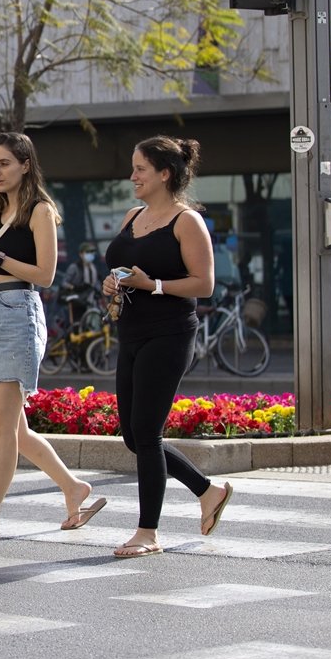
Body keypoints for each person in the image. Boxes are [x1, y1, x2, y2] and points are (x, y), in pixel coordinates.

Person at [0, 132, 106, 544]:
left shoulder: (40, 210)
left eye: (4, 163)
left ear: (25, 165)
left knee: (0, 425)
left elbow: (45, 275)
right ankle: (74, 489)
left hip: (17, 312)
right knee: (13, 428)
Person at [101, 135, 232, 559]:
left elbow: (204, 284)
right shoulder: (133, 215)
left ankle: (147, 531)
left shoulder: (186, 221)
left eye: (140, 168)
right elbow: (124, 268)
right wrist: (114, 283)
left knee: (148, 433)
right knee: (133, 437)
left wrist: (151, 284)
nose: (132, 175)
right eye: (133, 167)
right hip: (132, 332)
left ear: (164, 174)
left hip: (170, 333)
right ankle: (207, 491)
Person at [59, 241, 102, 324]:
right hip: (77, 302)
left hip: (91, 301)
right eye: (88, 252)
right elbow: (64, 282)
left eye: (92, 252)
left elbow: (96, 283)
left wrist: (98, 291)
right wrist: (74, 287)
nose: (91, 254)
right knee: (77, 324)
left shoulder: (94, 268)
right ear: (81, 254)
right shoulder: (74, 267)